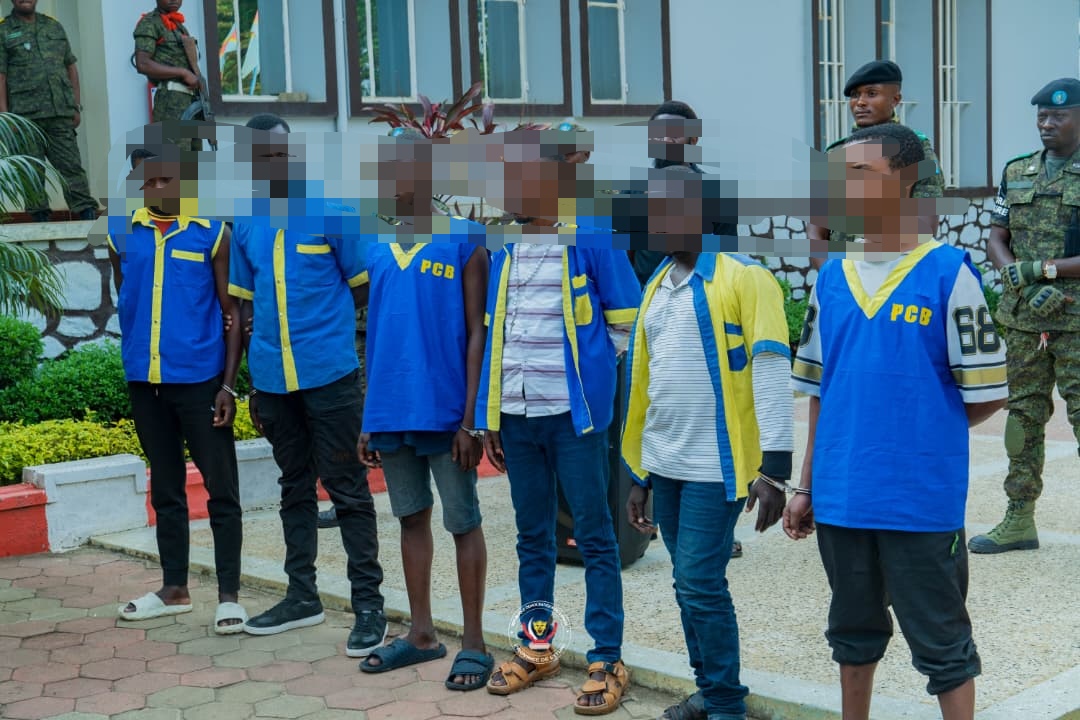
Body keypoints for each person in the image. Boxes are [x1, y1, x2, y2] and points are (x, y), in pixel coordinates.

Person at [786, 122, 1008, 720]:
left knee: (942, 642)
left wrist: (919, 431)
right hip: (843, 497)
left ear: (907, 181)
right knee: (851, 633)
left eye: (860, 174)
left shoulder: (949, 273)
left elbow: (986, 394)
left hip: (919, 500)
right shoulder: (831, 278)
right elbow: (821, 392)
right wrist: (806, 485)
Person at [477, 130, 642, 714]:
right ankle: (538, 646)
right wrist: (491, 415)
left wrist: (592, 379)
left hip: (573, 419)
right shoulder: (504, 246)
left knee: (595, 535)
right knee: (532, 536)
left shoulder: (591, 235)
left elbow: (625, 322)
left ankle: (606, 656)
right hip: (518, 416)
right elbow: (497, 331)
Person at [621, 167, 794, 720]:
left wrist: (773, 470)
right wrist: (640, 475)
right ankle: (710, 690)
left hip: (716, 466)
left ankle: (724, 702)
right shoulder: (658, 284)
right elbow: (648, 384)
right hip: (665, 461)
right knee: (686, 583)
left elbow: (771, 370)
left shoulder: (747, 278)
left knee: (699, 582)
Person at [229, 123, 387, 658]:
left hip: (330, 375)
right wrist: (250, 385)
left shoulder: (335, 212)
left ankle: (369, 606)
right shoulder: (245, 220)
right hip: (273, 380)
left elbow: (363, 286)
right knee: (293, 487)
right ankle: (302, 596)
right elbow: (246, 304)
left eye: (281, 153)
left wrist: (325, 323)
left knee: (348, 489)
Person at [354, 133, 493, 688]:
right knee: (411, 519)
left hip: (445, 412)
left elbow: (478, 331)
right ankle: (421, 634)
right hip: (391, 411)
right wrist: (369, 418)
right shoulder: (375, 246)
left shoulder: (464, 239)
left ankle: (474, 643)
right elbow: (376, 335)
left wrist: (470, 420)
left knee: (463, 521)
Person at [109, 144, 246, 634]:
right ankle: (174, 589)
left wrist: (228, 384)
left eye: (164, 180)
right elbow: (127, 294)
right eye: (145, 181)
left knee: (221, 489)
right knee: (166, 488)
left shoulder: (213, 234)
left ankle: (229, 597)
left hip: (201, 383)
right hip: (146, 382)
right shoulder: (122, 232)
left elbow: (232, 313)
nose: (154, 188)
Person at [968, 78, 1080, 554]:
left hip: (1076, 321)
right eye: (1041, 116)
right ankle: (1019, 518)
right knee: (1022, 420)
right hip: (1024, 321)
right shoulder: (1017, 170)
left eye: (1058, 116)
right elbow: (997, 238)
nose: (1046, 124)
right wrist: (1025, 283)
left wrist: (1041, 270)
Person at [806, 60, 943, 269]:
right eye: (855, 95)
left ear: (895, 99)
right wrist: (831, 277)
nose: (860, 102)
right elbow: (816, 232)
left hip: (896, 274)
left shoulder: (915, 149)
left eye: (871, 94)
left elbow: (925, 227)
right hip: (841, 275)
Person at [0, 0, 99, 222]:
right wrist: (6, 118)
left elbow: (70, 66)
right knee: (31, 172)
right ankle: (39, 221)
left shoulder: (53, 26)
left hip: (59, 113)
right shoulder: (4, 30)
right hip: (24, 119)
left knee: (71, 166)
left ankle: (86, 214)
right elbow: (1, 76)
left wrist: (75, 105)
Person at [134, 0, 201, 148]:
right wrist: (182, 73)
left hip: (190, 102)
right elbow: (142, 63)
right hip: (170, 102)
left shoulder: (179, 26)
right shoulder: (150, 23)